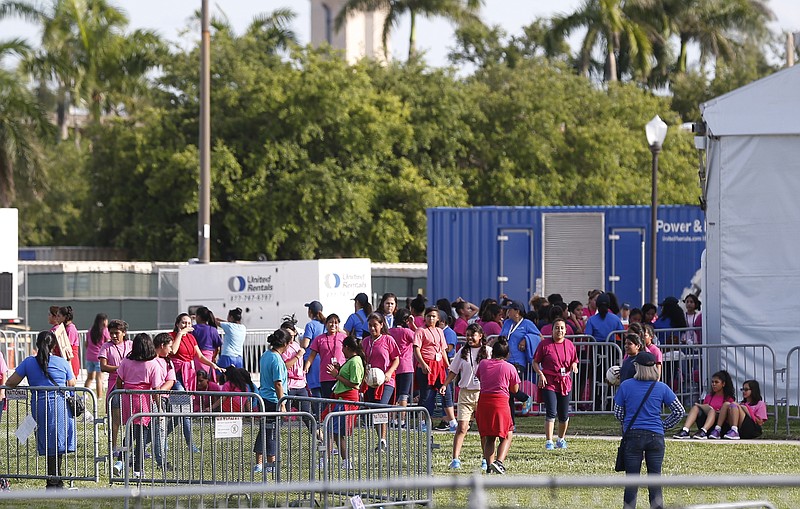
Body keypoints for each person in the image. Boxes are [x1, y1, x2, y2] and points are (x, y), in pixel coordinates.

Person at [613, 352, 685, 509]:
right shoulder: (661, 387)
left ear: (637, 367)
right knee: (655, 479)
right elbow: (679, 411)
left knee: (632, 480)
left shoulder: (626, 386)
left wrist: (627, 423)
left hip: (633, 435)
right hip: (656, 436)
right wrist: (664, 425)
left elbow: (618, 412)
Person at [6, 331, 77, 489]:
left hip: (39, 405)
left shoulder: (29, 362)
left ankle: (54, 479)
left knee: (48, 441)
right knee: (58, 442)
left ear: (37, 345)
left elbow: (11, 382)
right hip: (59, 405)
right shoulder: (62, 362)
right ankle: (54, 480)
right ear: (54, 346)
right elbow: (72, 383)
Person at [441, 322, 490, 470]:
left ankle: (485, 458)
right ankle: (455, 459)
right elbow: (453, 371)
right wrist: (445, 384)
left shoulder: (488, 351)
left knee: (483, 429)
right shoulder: (462, 351)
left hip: (482, 393)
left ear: (480, 336)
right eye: (467, 335)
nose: (469, 338)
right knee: (462, 427)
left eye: (472, 335)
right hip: (465, 393)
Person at [116, 333, 164, 476]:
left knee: (130, 433)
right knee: (142, 436)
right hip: (143, 400)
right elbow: (156, 389)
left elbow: (119, 380)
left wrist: (122, 392)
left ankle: (120, 462)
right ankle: (138, 468)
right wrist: (160, 408)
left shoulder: (126, 361)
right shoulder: (153, 364)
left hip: (128, 399)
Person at [533, 317, 579, 450]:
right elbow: (535, 362)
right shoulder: (544, 344)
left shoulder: (570, 345)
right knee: (551, 412)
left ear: (565, 331)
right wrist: (540, 374)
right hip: (549, 381)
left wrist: (574, 366)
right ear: (552, 330)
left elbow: (574, 360)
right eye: (557, 328)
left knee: (564, 415)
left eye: (562, 328)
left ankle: (561, 439)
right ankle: (549, 441)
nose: (559, 330)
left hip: (564, 382)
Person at [475, 337, 520, 475]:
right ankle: (499, 462)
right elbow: (515, 390)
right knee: (507, 433)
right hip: (500, 402)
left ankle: (489, 465)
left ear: (492, 352)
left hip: (484, 401)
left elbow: (480, 378)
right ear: (507, 354)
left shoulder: (483, 364)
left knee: (489, 436)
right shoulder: (509, 367)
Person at [323, 335, 365, 470]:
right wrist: (339, 368)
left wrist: (336, 375)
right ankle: (345, 461)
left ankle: (328, 460)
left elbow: (354, 384)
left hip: (346, 401)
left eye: (343, 348)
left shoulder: (355, 361)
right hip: (341, 400)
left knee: (331, 431)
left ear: (347, 347)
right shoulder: (351, 361)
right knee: (335, 432)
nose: (341, 351)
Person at [254, 328, 290, 473]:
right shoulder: (276, 359)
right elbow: (278, 383)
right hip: (273, 400)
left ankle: (259, 463)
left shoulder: (266, 354)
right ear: (286, 343)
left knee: (264, 431)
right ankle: (271, 465)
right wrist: (282, 403)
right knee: (272, 433)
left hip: (263, 398)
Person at [362, 312, 400, 449]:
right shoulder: (365, 342)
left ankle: (383, 439)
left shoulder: (388, 339)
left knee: (381, 407)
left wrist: (389, 372)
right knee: (374, 409)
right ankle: (381, 439)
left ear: (382, 325)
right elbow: (363, 360)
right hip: (371, 381)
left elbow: (396, 358)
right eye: (370, 326)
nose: (372, 329)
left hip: (386, 380)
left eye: (375, 325)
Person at [98, 319, 132, 457]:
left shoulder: (131, 345)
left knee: (133, 418)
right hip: (115, 386)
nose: (113, 336)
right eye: (111, 333)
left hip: (131, 385)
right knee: (116, 420)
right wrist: (121, 369)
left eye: (116, 333)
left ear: (123, 333)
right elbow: (103, 366)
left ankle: (132, 447)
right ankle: (113, 447)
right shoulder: (106, 347)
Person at [413, 307, 450, 431]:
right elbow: (416, 349)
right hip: (426, 366)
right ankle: (423, 422)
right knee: (427, 395)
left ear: (438, 318)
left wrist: (447, 364)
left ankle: (451, 421)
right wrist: (423, 364)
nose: (431, 318)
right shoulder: (420, 330)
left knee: (446, 392)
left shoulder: (440, 331)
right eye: (429, 316)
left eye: (434, 316)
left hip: (439, 366)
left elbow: (443, 349)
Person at [499, 301, 537, 416]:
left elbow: (538, 336)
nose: (507, 312)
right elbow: (501, 336)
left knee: (510, 388)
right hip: (505, 360)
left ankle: (525, 398)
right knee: (507, 391)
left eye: (509, 310)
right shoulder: (507, 323)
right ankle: (511, 422)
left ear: (517, 312)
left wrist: (526, 339)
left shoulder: (527, 323)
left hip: (518, 362)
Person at [673, 370, 735, 439]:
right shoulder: (709, 397)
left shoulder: (728, 398)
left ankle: (704, 431)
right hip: (707, 421)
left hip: (719, 425)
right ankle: (685, 430)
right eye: (712, 382)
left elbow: (730, 414)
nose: (713, 384)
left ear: (723, 384)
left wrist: (717, 412)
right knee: (695, 408)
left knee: (712, 411)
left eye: (716, 382)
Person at [304, 313, 347, 399]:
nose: (333, 325)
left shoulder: (343, 337)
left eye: (336, 323)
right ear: (326, 324)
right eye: (330, 322)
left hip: (341, 374)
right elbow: (312, 356)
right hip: (325, 376)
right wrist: (306, 368)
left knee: (341, 401)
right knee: (328, 403)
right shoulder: (319, 339)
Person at [388, 308, 416, 421]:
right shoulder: (407, 332)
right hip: (406, 366)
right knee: (404, 395)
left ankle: (392, 419)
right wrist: (413, 324)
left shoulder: (390, 331)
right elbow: (420, 337)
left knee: (394, 394)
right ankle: (401, 420)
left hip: (393, 366)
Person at [302, 301, 325, 419]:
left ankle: (319, 416)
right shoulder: (325, 324)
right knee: (324, 390)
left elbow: (305, 344)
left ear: (310, 312)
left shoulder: (310, 325)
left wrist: (300, 339)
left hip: (312, 360)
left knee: (315, 391)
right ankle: (326, 415)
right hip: (323, 359)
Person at [192, 306, 222, 377]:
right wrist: (214, 357)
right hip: (209, 357)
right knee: (208, 378)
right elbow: (218, 347)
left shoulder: (193, 329)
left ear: (198, 317)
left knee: (198, 378)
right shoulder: (213, 329)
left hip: (196, 356)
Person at [85, 313, 109, 399]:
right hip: (99, 357)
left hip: (89, 357)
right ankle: (99, 396)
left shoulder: (90, 330)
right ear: (103, 321)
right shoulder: (105, 331)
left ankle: (85, 394)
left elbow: (86, 344)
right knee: (99, 378)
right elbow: (108, 342)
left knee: (90, 378)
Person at [57, 306, 81, 378]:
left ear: (65, 317)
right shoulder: (64, 328)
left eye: (59, 316)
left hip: (71, 359)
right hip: (65, 359)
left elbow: (67, 347)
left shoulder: (71, 329)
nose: (57, 318)